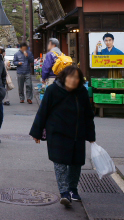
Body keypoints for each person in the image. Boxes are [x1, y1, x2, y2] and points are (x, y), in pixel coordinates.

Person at [30, 66, 95, 207]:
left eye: (76, 78)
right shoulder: (52, 90)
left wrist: (91, 135)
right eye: (70, 77)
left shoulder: (82, 92)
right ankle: (64, 192)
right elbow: (43, 111)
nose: (73, 80)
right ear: (64, 77)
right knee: (60, 163)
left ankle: (73, 189)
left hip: (77, 133)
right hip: (57, 133)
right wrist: (37, 132)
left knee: (76, 163)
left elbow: (88, 115)